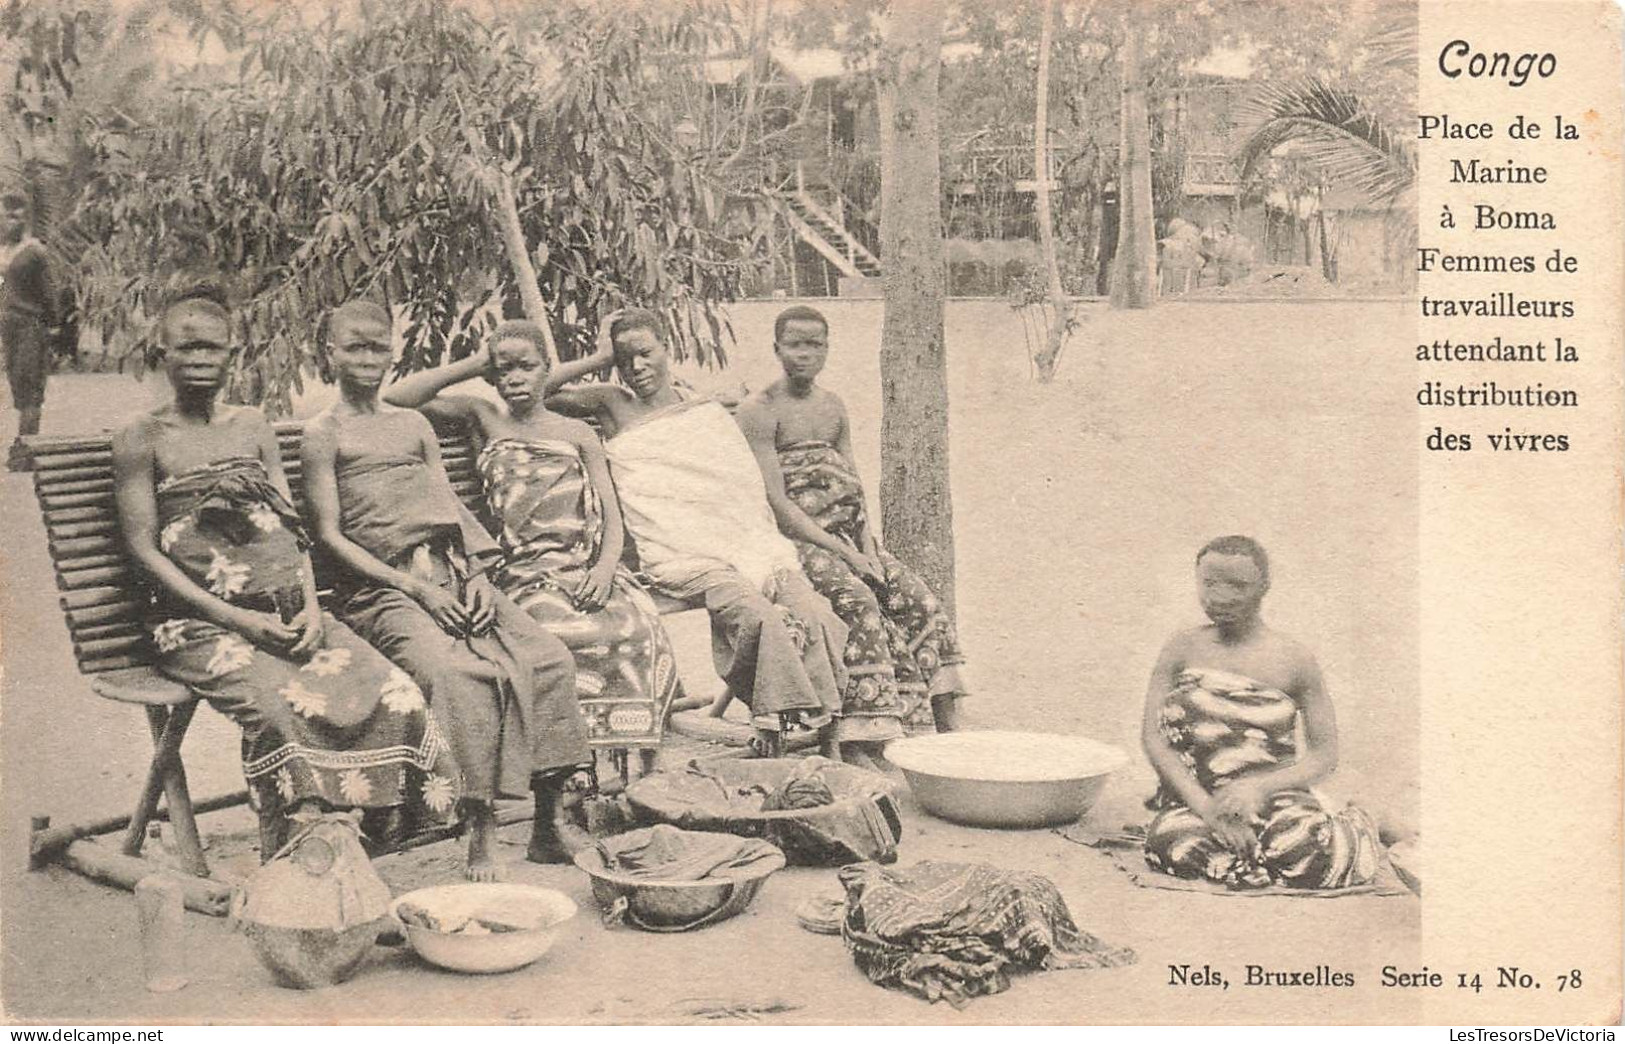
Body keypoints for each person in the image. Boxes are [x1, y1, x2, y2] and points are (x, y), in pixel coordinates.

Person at [111, 286, 462, 855]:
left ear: (233, 354)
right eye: (187, 347)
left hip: (288, 614)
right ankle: (294, 845)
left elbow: (291, 526)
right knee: (281, 711)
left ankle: (382, 827)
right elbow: (144, 551)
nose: (201, 359)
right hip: (198, 626)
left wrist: (314, 608)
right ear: (162, 352)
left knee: (396, 691)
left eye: (213, 348)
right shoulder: (142, 437)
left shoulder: (252, 425)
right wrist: (237, 620)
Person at [302, 301, 591, 877]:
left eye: (378, 346)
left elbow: (450, 505)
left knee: (548, 657)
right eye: (354, 347)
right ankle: (480, 826)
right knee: (456, 673)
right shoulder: (324, 434)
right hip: (379, 590)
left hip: (451, 572)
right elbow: (330, 537)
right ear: (328, 353)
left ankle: (546, 824)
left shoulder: (413, 425)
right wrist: (414, 587)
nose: (368, 359)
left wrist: (478, 574)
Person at [546, 308, 848, 756]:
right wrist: (598, 358)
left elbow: (732, 483)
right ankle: (776, 729)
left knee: (815, 612)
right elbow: (543, 392)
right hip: (681, 550)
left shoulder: (701, 408)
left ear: (667, 349)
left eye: (646, 353)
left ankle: (827, 739)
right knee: (756, 615)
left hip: (747, 542)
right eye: (625, 359)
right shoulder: (613, 403)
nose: (637, 367)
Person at [379, 316, 682, 759]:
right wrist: (477, 361)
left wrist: (603, 569)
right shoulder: (484, 417)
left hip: (581, 568)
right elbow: (396, 398)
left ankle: (640, 766)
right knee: (553, 634)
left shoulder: (576, 433)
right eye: (504, 371)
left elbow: (611, 515)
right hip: (520, 574)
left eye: (527, 367)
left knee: (635, 629)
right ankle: (568, 765)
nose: (515, 379)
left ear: (547, 369)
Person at [735, 305, 968, 765]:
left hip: (848, 535)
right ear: (777, 348)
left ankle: (947, 722)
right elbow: (778, 506)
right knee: (859, 602)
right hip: (798, 543)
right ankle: (863, 737)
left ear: (827, 349)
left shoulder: (833, 406)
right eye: (795, 344)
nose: (805, 355)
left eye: (815, 345)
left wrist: (867, 549)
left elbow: (853, 484)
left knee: (917, 597)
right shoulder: (760, 412)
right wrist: (845, 554)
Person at [1139, 536, 1383, 889]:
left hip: (1274, 794)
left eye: (1237, 585)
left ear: (1264, 587)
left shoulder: (1294, 659)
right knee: (1169, 842)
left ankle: (1366, 820)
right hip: (1198, 796)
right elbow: (1153, 739)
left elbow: (1324, 755)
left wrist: (1257, 788)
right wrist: (1208, 809)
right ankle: (1249, 861)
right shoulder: (1181, 648)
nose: (1220, 596)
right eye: (1209, 583)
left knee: (1306, 853)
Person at [2, 189, 58, 471]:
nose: (10, 220)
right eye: (6, 214)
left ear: (25, 218)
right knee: (17, 386)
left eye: (16, 214)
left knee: (30, 388)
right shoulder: (4, 252)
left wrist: (54, 327)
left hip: (31, 326)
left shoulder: (35, 252)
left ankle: (26, 450)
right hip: (9, 328)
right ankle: (23, 446)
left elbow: (49, 294)